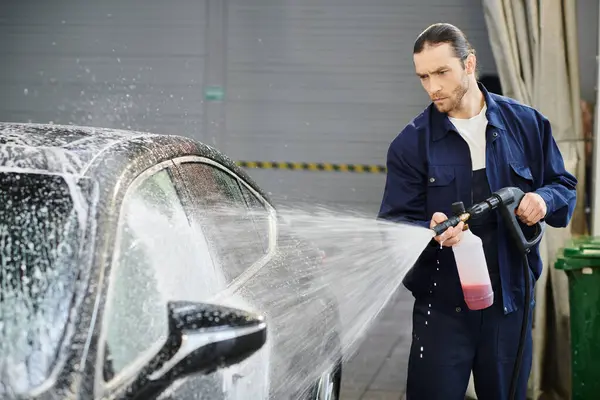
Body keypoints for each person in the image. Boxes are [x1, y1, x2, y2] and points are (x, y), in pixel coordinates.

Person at [377, 23, 577, 400]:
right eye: (423, 76)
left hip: (509, 303)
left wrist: (543, 200)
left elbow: (564, 186)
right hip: (443, 309)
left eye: (441, 72)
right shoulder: (410, 144)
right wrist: (430, 230)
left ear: (469, 64)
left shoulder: (527, 124)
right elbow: (392, 225)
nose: (432, 86)